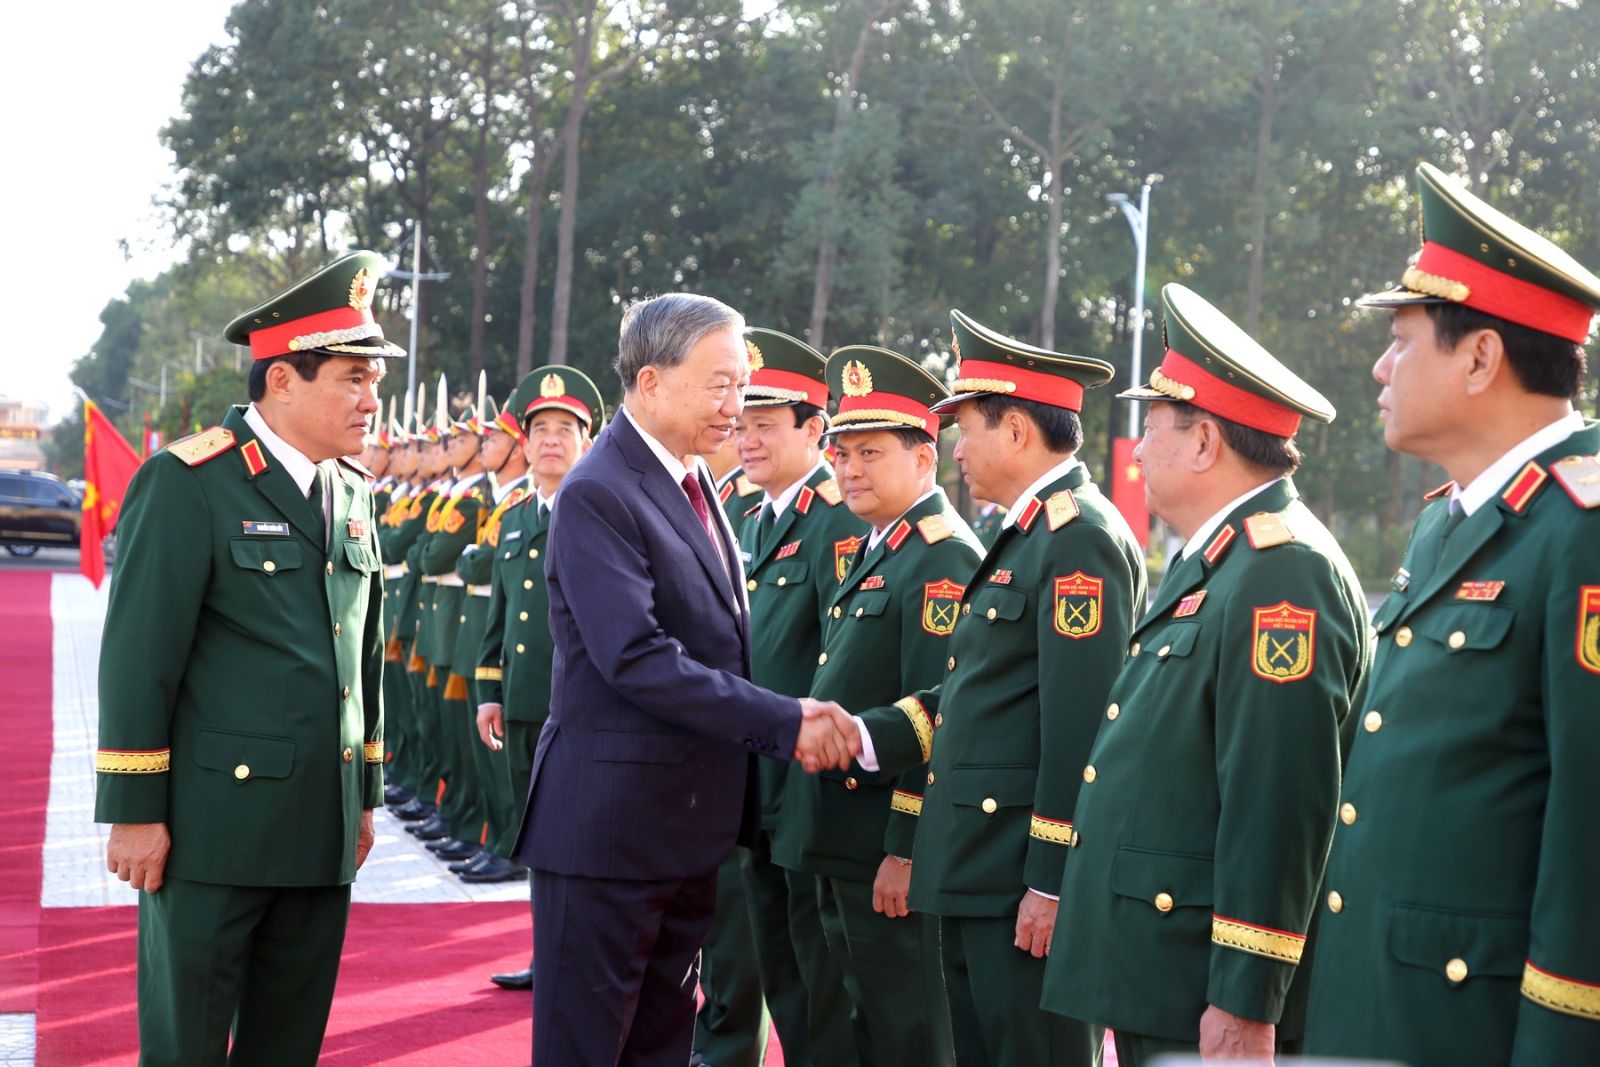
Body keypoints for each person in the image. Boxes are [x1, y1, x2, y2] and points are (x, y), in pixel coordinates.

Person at [512, 292, 863, 1066]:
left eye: (743, 385)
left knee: (660, 1045)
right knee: (586, 1048)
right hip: (610, 831)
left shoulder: (691, 479)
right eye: (721, 384)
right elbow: (635, 656)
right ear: (651, 382)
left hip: (683, 829)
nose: (736, 406)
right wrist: (785, 720)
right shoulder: (600, 490)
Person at [1303, 163, 1600, 1065]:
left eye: (1402, 341)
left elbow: (1587, 835)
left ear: (1480, 357)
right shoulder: (1449, 518)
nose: (1380, 367)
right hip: (1383, 1004)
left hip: (1480, 1026)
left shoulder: (1582, 529)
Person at [1040, 283, 1372, 1066]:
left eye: (1151, 426)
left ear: (1204, 442)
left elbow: (1278, 798)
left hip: (1205, 984)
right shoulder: (1222, 561)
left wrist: (1245, 997)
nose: (1136, 450)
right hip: (1167, 963)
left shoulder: (1281, 572)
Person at [94, 251, 403, 1065]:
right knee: (187, 1046)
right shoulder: (189, 479)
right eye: (354, 378)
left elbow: (361, 656)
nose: (372, 399)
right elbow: (139, 657)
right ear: (283, 381)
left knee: (286, 1047)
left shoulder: (353, 491)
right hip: (212, 832)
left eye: (374, 379)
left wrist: (364, 794)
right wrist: (134, 808)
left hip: (322, 829)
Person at [849, 310, 1146, 1066]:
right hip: (978, 866)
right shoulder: (1027, 533)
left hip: (1018, 877)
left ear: (1015, 430)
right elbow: (976, 694)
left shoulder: (1078, 539)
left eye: (965, 430)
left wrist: (1050, 882)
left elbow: (1081, 726)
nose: (955, 451)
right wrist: (862, 734)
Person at [771, 343, 984, 1067]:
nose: (849, 469)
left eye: (871, 453)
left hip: (879, 844)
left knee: (906, 1031)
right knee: (856, 1025)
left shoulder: (942, 557)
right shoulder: (881, 545)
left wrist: (905, 845)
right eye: (842, 453)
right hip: (839, 830)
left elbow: (937, 716)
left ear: (925, 458)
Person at [722, 328, 868, 1067]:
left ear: (815, 430)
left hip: (811, 786)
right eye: (741, 423)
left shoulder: (839, 520)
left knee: (820, 982)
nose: (747, 440)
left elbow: (844, 663)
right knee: (779, 967)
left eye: (766, 425)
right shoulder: (755, 519)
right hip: (760, 781)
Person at [474, 365, 605, 987]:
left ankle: (580, 957)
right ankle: (547, 956)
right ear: (524, 444)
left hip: (579, 706)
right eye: (540, 430)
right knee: (537, 837)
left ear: (587, 441)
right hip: (524, 704)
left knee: (578, 837)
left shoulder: (599, 512)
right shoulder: (516, 515)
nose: (551, 440)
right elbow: (500, 616)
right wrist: (489, 692)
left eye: (565, 429)